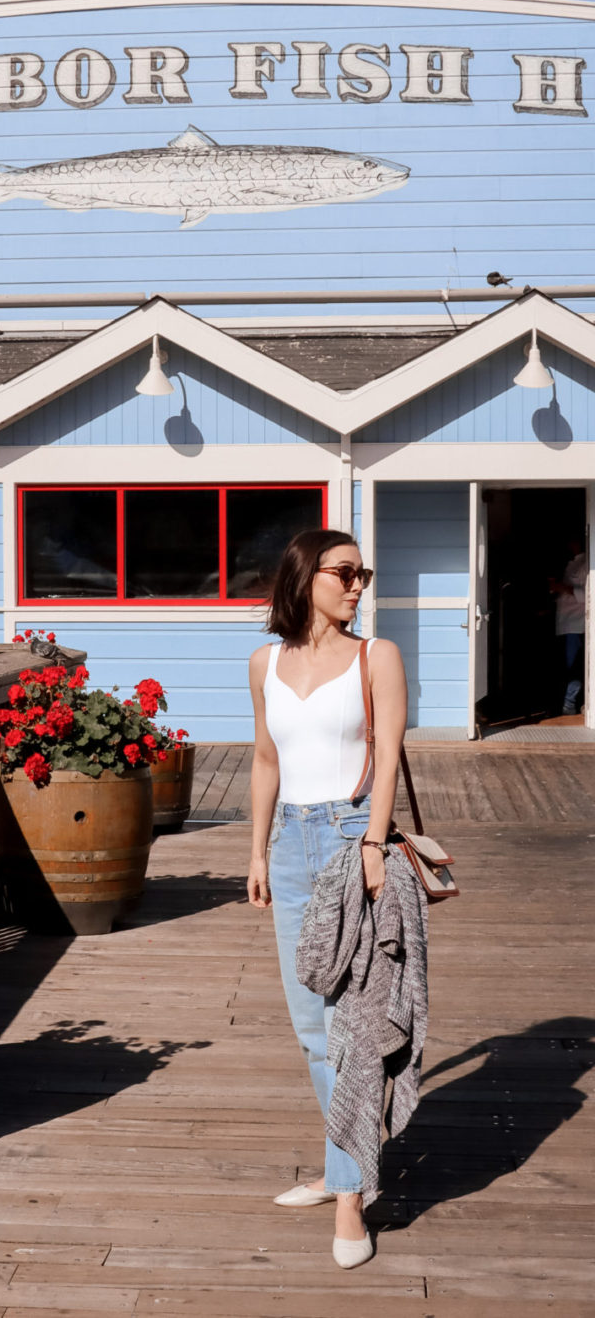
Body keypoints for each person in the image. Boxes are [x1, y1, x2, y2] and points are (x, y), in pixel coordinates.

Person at [247, 528, 408, 1269]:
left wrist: (374, 844)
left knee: (357, 1024)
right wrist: (255, 851)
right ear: (304, 576)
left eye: (362, 575)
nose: (356, 586)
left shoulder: (377, 657)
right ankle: (345, 1164)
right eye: (344, 573)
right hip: (290, 847)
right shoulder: (266, 663)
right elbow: (265, 759)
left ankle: (348, 1196)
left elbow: (389, 756)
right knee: (313, 1028)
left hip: (351, 841)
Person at [549, 537, 586, 716]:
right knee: (565, 666)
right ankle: (565, 703)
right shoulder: (569, 564)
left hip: (577, 624)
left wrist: (562, 588)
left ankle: (569, 704)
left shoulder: (587, 563)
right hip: (564, 623)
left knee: (574, 666)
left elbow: (587, 594)